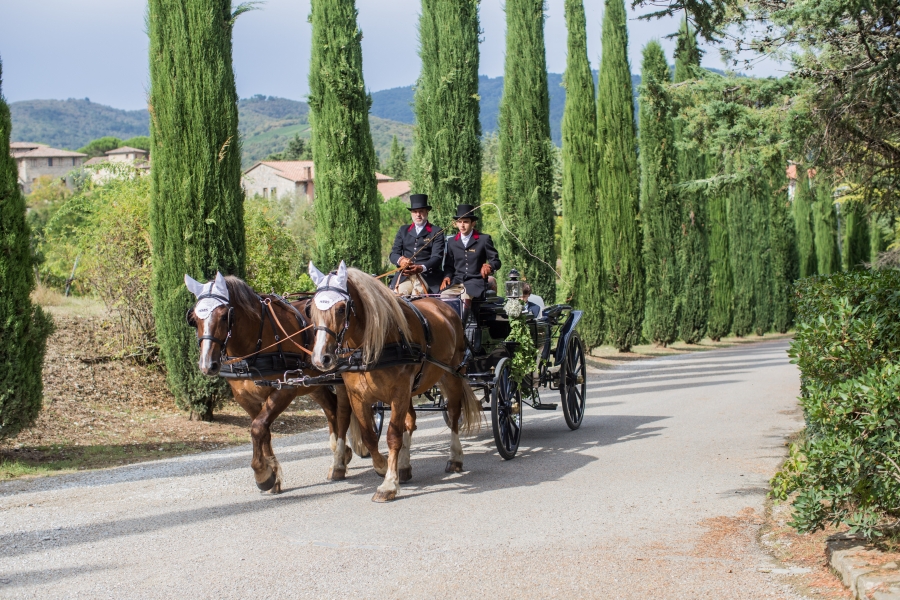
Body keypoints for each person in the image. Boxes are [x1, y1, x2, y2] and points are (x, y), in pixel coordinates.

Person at [440, 204, 501, 300]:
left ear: (473, 223)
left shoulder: (484, 239)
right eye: (459, 222)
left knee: (465, 298)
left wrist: (490, 266)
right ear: (456, 223)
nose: (462, 225)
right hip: (457, 282)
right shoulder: (451, 242)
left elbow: (496, 261)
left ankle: (465, 316)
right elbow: (449, 266)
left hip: (476, 282)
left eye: (466, 222)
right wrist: (447, 277)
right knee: (444, 296)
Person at [389, 194, 445, 294]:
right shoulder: (403, 230)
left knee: (417, 295)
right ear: (411, 213)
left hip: (427, 276)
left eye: (421, 211)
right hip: (404, 276)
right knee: (399, 295)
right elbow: (393, 254)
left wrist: (421, 268)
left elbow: (437, 257)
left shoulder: (436, 231)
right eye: (415, 211)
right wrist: (401, 260)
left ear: (427, 212)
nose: (418, 214)